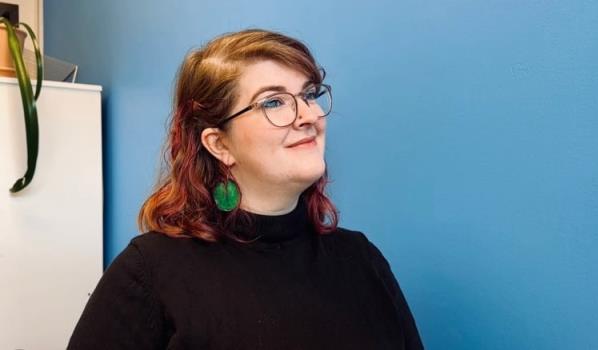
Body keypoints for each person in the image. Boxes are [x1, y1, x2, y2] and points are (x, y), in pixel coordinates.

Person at [67, 28, 425, 349]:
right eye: (273, 101)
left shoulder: (362, 260)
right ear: (219, 144)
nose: (309, 115)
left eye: (309, 94)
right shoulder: (150, 271)